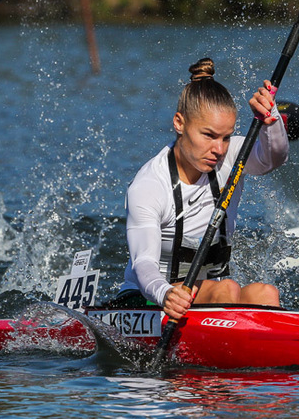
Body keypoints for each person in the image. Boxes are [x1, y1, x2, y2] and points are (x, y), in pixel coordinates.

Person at [118, 57, 289, 322]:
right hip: (149, 300)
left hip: (210, 298)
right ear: (179, 123)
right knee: (227, 288)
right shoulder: (150, 185)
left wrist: (271, 119)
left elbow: (272, 159)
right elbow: (144, 264)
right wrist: (165, 294)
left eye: (226, 137)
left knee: (265, 293)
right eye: (208, 136)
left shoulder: (230, 157)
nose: (219, 149)